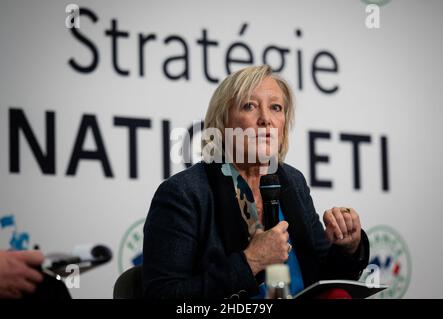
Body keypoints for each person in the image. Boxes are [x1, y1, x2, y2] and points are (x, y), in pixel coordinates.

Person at [142, 65, 369, 299]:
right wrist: (251, 261)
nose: (266, 119)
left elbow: (323, 277)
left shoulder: (292, 181)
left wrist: (348, 247)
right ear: (222, 123)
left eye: (276, 108)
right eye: (249, 106)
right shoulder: (185, 192)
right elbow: (162, 295)